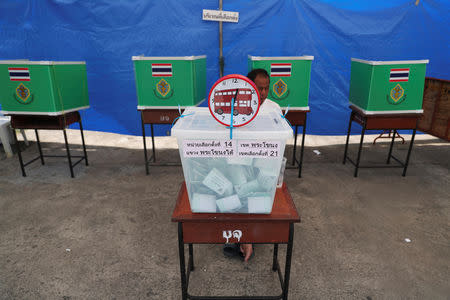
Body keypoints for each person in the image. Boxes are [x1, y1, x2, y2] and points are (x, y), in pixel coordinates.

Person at [223, 69, 282, 263]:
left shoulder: (274, 108)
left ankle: (244, 237)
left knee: (259, 188)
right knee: (236, 188)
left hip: (263, 163)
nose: (263, 93)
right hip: (239, 161)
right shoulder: (236, 106)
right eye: (259, 88)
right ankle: (241, 236)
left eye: (266, 88)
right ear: (249, 87)